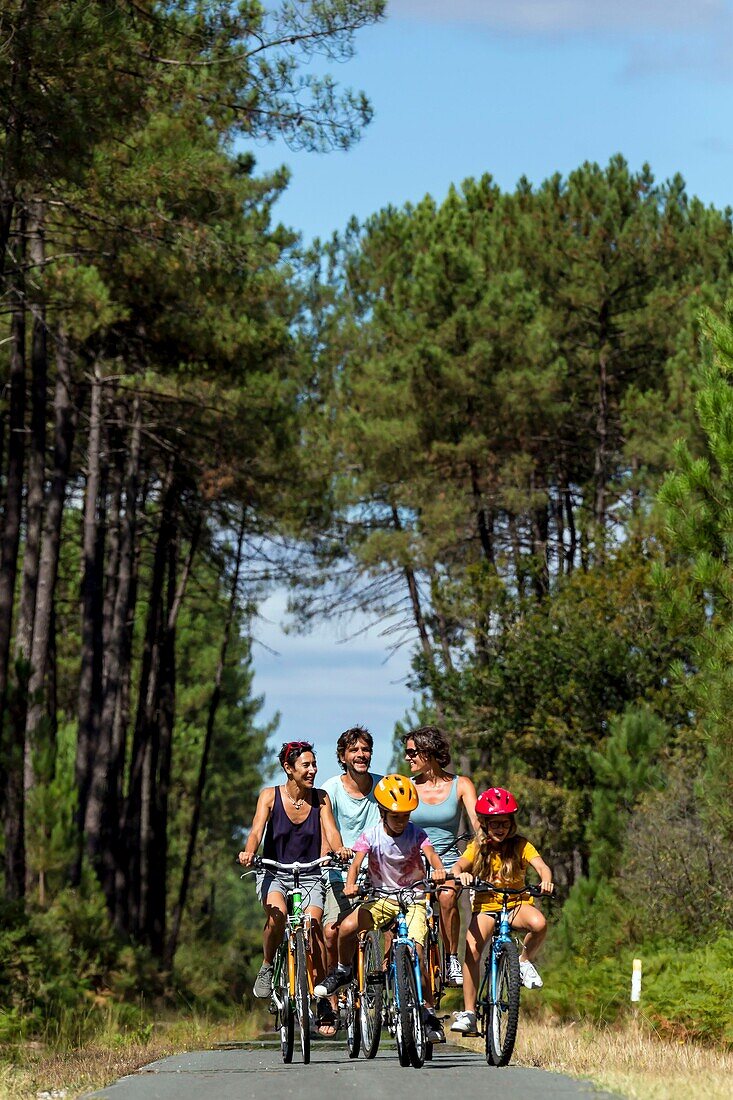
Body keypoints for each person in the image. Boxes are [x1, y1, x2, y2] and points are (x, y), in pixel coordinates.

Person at [314, 773, 447, 1043]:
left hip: (413, 900)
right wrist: (351, 884)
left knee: (418, 955)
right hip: (382, 898)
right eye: (396, 816)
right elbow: (356, 863)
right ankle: (342, 969)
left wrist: (439, 870)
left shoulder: (416, 834)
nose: (402, 821)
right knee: (347, 927)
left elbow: (431, 855)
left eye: (406, 815)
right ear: (382, 812)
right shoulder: (371, 836)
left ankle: (428, 1012)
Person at [238, 740, 349, 1037]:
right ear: (288, 768)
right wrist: (249, 852)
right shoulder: (270, 797)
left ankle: (321, 997)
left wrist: (340, 850)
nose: (312, 770)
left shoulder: (321, 798)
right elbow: (256, 831)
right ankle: (267, 964)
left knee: (312, 927)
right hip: (275, 871)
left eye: (314, 765)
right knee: (278, 915)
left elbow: (333, 832)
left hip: (310, 874)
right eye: (306, 765)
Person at [449, 786, 554, 1036]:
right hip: (487, 905)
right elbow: (459, 865)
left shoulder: (521, 845)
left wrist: (546, 880)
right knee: (472, 948)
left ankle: (524, 961)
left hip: (516, 903)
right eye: (494, 823)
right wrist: (460, 874)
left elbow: (542, 866)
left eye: (504, 824)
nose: (500, 829)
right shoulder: (478, 847)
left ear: (511, 824)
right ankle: (470, 1013)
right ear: (484, 824)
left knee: (539, 924)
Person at [403, 725, 479, 986]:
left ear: (428, 752)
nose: (407, 758)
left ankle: (450, 958)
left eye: (412, 752)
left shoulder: (461, 785)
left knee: (447, 897)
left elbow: (479, 829)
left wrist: (464, 863)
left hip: (448, 861)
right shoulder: (407, 787)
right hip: (414, 863)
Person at [320, 726, 383, 1032]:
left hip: (376, 871)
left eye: (366, 749)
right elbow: (327, 827)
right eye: (354, 750)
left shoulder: (383, 787)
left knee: (394, 925)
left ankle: (388, 986)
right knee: (331, 930)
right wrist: (337, 849)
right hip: (338, 869)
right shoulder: (330, 788)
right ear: (343, 756)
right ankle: (332, 999)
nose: (361, 755)